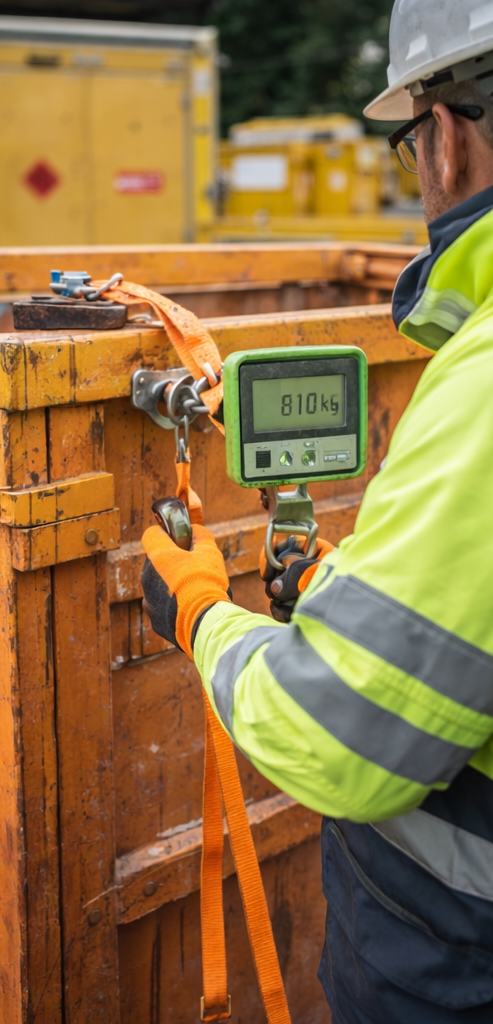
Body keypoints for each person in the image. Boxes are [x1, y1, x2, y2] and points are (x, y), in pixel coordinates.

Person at [141, 2, 493, 1019]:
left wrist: (201, 613)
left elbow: (342, 737)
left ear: (450, 135)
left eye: (409, 140)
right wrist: (343, 594)